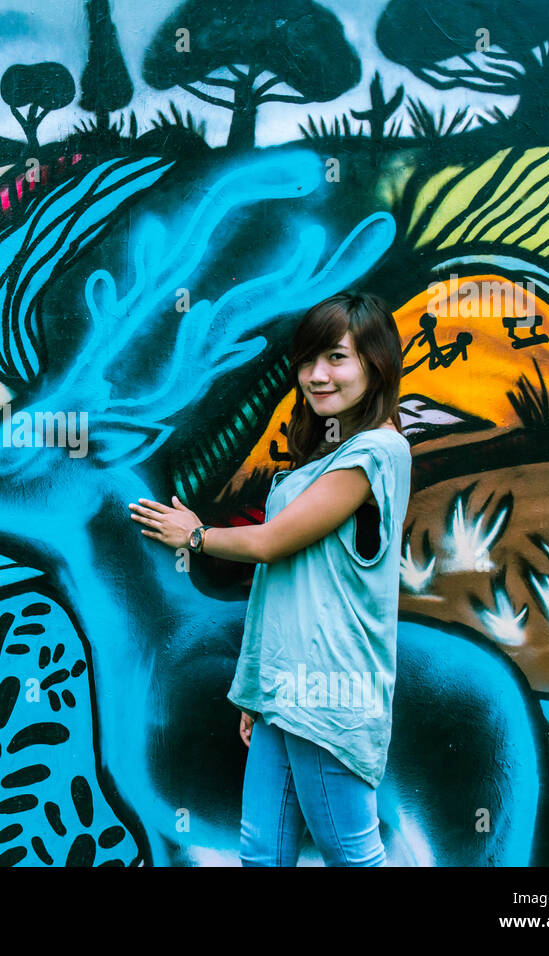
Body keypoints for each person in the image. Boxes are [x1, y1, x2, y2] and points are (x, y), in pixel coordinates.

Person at [127, 291, 412, 866]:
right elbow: (283, 588)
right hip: (286, 688)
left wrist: (196, 535)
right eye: (308, 361)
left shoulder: (377, 452)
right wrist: (258, 690)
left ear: (375, 364)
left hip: (330, 688)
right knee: (263, 852)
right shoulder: (323, 460)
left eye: (337, 358)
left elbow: (270, 543)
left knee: (350, 852)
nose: (317, 375)